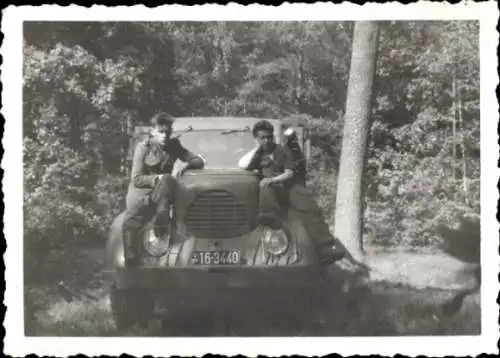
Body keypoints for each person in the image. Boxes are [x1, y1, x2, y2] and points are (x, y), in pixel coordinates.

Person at [239, 120, 344, 265]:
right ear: (256, 139)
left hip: (287, 186)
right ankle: (269, 217)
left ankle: (325, 248)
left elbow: (289, 173)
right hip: (269, 191)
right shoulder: (257, 154)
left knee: (310, 208)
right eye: (262, 138)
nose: (266, 140)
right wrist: (256, 150)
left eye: (269, 137)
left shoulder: (282, 151)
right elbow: (243, 166)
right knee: (264, 188)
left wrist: (274, 179)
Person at [122, 112, 205, 267]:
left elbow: (198, 161)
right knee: (130, 236)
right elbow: (136, 179)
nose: (165, 135)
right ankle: (131, 263)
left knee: (169, 181)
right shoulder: (144, 148)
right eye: (161, 132)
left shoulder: (174, 146)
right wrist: (157, 178)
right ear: (152, 131)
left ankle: (162, 216)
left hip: (162, 197)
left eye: (168, 132)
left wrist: (187, 164)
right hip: (141, 197)